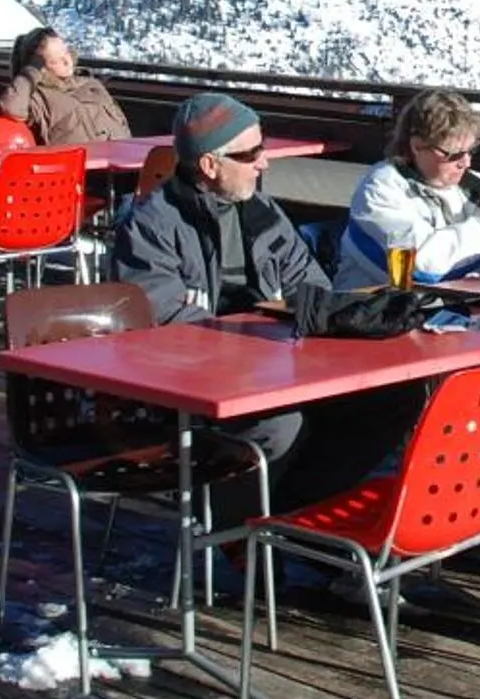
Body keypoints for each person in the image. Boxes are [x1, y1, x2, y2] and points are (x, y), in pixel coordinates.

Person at [112, 92, 419, 511]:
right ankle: (235, 535)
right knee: (279, 424)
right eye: (252, 153)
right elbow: (163, 320)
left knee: (390, 401)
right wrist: (251, 343)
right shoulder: (152, 227)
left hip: (274, 368)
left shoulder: (260, 211)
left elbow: (310, 288)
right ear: (209, 164)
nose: (264, 162)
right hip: (191, 387)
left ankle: (294, 511)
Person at [334, 88, 480, 290]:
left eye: (471, 150)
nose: (466, 162)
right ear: (417, 146)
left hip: (448, 311)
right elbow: (423, 270)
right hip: (372, 312)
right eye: (454, 154)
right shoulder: (380, 191)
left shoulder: (470, 185)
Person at [0, 26, 130, 148]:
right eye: (56, 60)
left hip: (124, 160)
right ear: (41, 67)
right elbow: (11, 107)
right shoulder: (38, 98)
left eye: (66, 53)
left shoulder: (91, 85)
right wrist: (31, 72)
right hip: (86, 169)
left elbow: (121, 123)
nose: (66, 61)